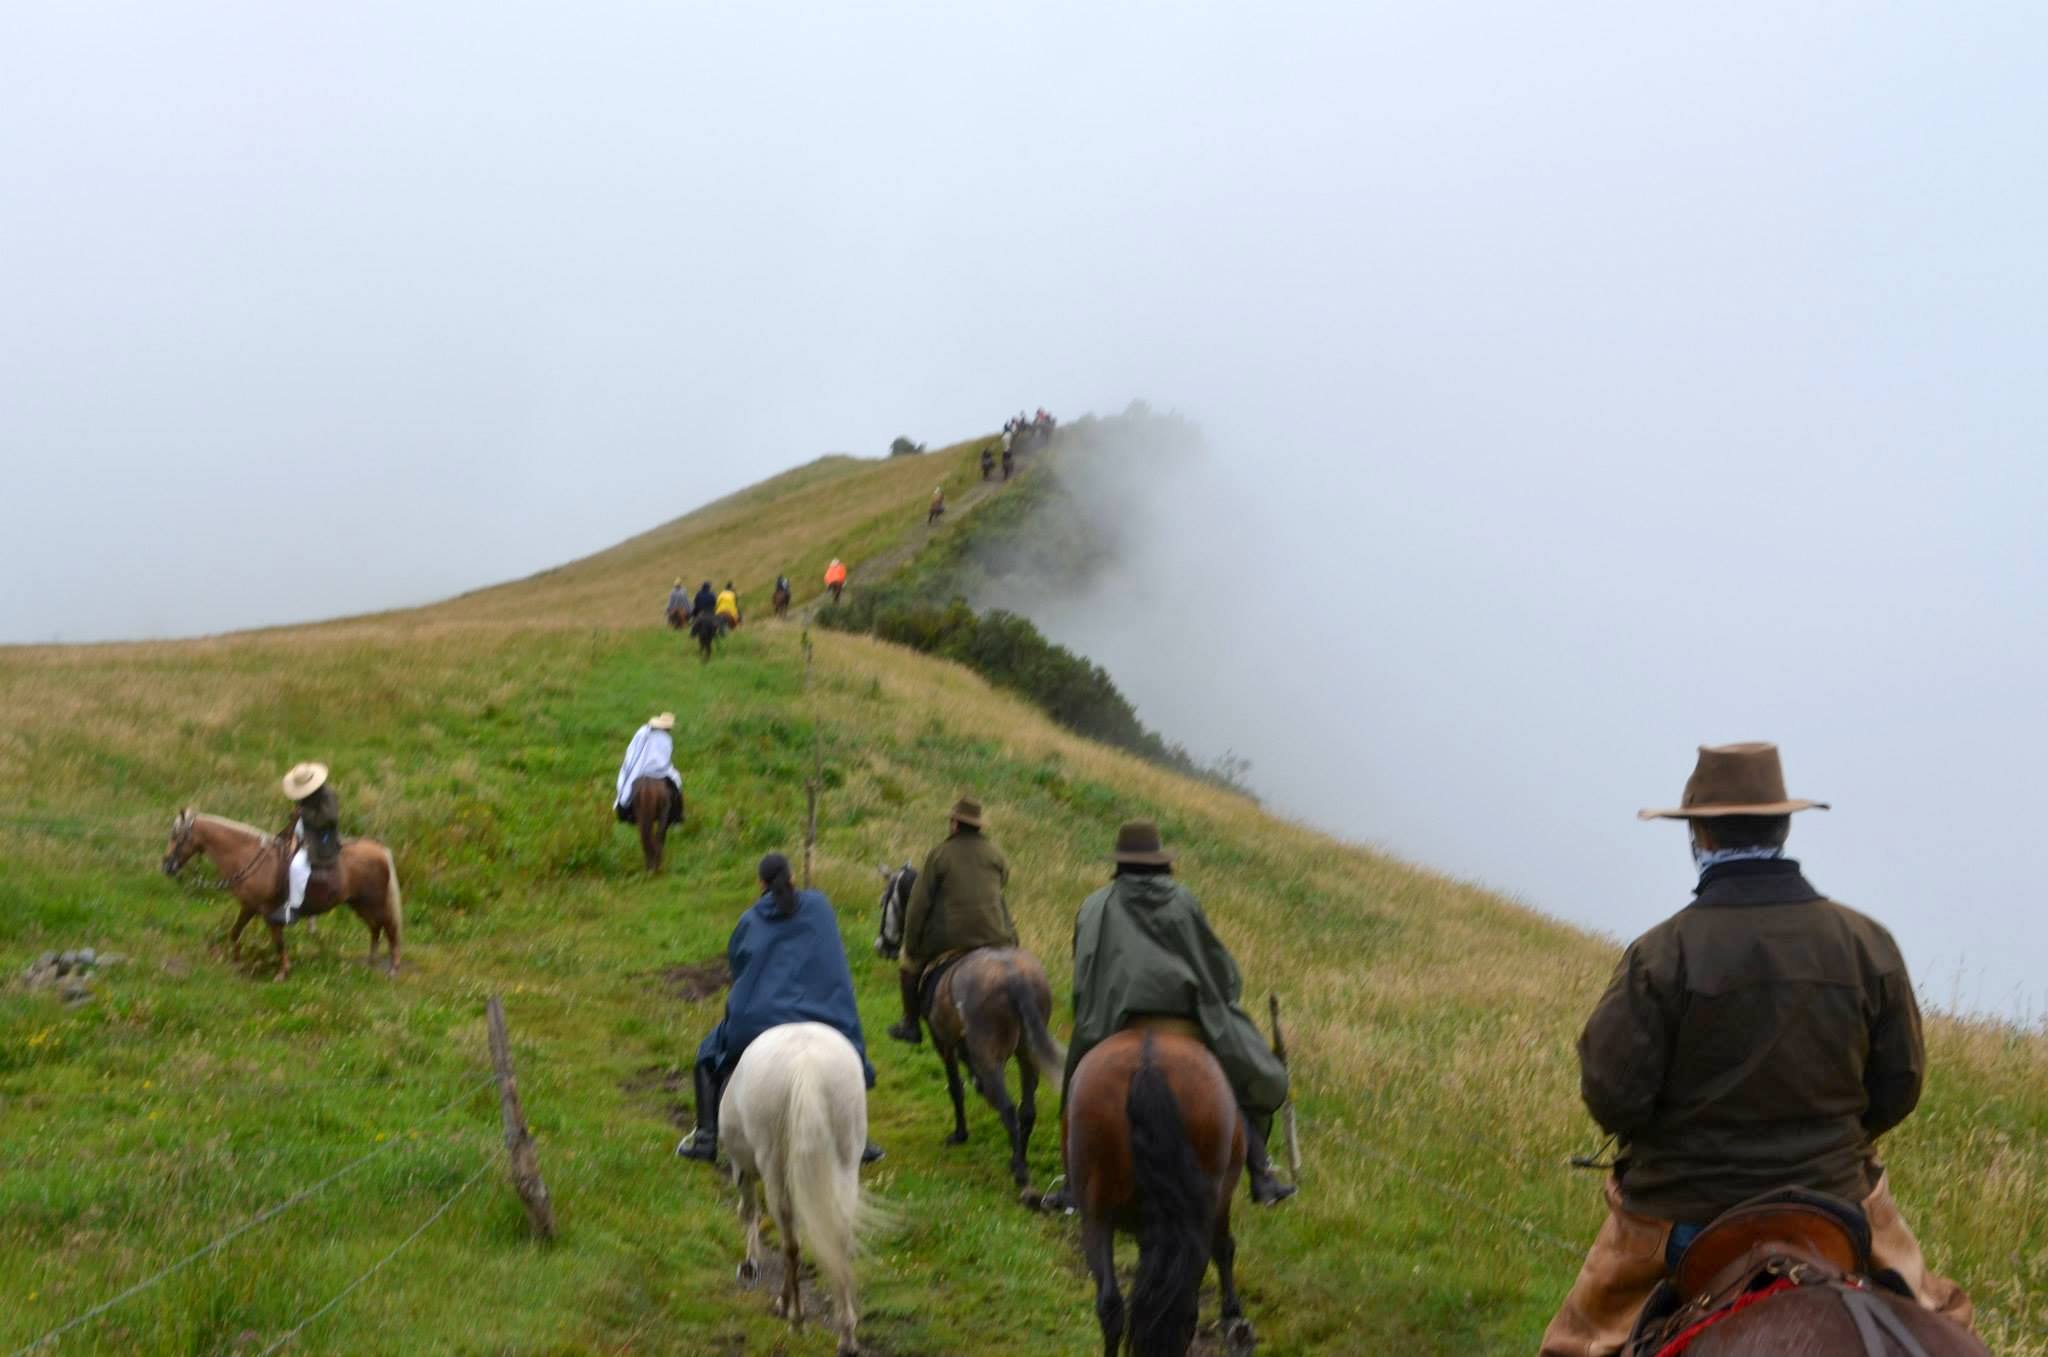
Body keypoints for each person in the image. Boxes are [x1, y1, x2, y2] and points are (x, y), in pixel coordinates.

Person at [1537, 743, 1973, 1357]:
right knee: (1947, 1322)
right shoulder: (1866, 942)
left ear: (1699, 835)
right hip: (1837, 1203)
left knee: (1573, 1348)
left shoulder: (1661, 954)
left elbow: (1614, 1099)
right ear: (1785, 825)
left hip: (1680, 1217)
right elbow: (1899, 1085)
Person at [1044, 820, 1295, 1209]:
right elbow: (1219, 969)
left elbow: (1083, 974)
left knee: (1077, 1089)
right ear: (1160, 861)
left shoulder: (1095, 905)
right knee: (1243, 1079)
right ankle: (1261, 1172)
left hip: (1115, 1024)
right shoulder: (1183, 901)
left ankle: (1072, 1185)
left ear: (1120, 863)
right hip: (1187, 1025)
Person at [677, 854, 883, 1165]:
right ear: (793, 878)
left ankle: (706, 1139)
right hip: (827, 1015)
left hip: (762, 1021)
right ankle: (859, 1139)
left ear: (761, 883)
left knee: (707, 1055)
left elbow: (738, 966)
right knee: (851, 1054)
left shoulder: (749, 920)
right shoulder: (820, 906)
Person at [888, 796, 1016, 1044]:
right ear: (979, 826)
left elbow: (918, 903)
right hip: (996, 937)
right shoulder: (996, 855)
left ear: (955, 824)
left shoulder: (939, 855)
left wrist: (912, 944)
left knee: (908, 965)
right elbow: (1002, 885)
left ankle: (910, 1024)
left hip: (951, 939)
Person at [270, 761, 341, 925]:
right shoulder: (304, 795)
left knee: (297, 866)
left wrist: (304, 814)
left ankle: (293, 909)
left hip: (319, 839)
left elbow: (329, 819)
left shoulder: (327, 795)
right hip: (302, 833)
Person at [613, 713, 682, 826]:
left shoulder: (642, 731)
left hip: (639, 768)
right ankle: (676, 816)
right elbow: (665, 759)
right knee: (677, 781)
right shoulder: (667, 738)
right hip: (659, 770)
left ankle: (624, 810)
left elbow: (633, 751)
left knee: (624, 779)